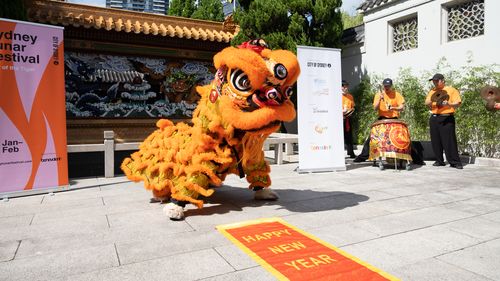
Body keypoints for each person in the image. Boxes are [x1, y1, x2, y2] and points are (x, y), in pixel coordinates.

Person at [353, 78, 405, 162]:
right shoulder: (378, 95)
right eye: (385, 86)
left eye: (388, 86)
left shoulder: (397, 94)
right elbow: (375, 108)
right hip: (382, 119)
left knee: (403, 137)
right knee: (372, 137)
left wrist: (392, 108)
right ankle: (363, 156)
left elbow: (402, 107)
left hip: (394, 119)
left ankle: (416, 158)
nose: (386, 88)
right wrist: (380, 99)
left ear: (391, 86)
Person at [425, 73, 463, 169]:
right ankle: (439, 160)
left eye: (437, 81)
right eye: (433, 81)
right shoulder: (432, 91)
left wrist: (449, 104)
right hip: (434, 117)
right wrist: (431, 100)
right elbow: (426, 103)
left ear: (442, 81)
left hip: (447, 117)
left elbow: (458, 103)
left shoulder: (451, 90)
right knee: (436, 140)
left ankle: (455, 162)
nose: (435, 83)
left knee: (449, 140)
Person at [341, 80, 356, 158]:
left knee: (349, 136)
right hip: (340, 119)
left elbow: (353, 106)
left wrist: (351, 110)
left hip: (348, 118)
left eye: (346, 86)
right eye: (343, 86)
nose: (345, 88)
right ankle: (339, 154)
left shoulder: (350, 96)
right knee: (340, 136)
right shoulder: (337, 96)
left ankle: (351, 152)